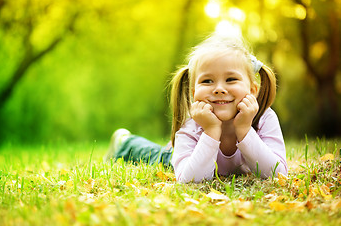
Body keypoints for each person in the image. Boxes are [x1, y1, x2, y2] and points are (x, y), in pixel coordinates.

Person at [105, 34, 288, 183]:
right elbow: (188, 179)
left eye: (231, 79)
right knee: (158, 157)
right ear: (194, 93)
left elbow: (278, 174)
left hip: (225, 137)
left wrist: (245, 130)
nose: (219, 89)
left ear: (253, 89)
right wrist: (210, 131)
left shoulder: (264, 118)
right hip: (187, 154)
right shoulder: (193, 124)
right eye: (207, 81)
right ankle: (124, 142)